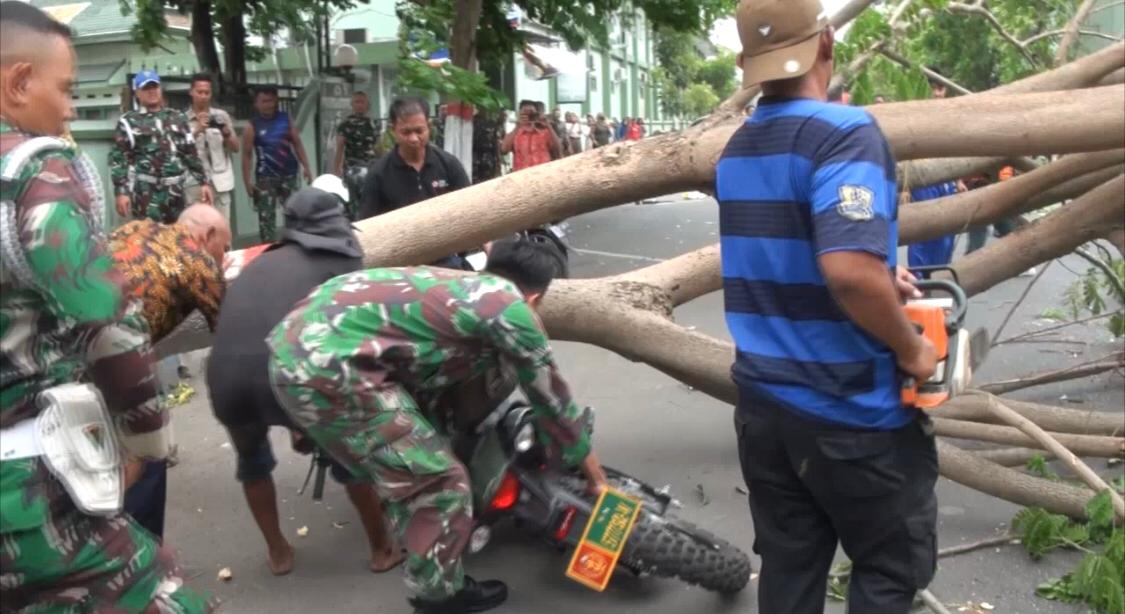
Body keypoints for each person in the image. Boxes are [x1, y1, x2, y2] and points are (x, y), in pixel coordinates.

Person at [717, 1, 940, 613]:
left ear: (747, 64)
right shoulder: (845, 132)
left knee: (790, 567)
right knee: (889, 569)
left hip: (763, 408)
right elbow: (846, 274)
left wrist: (873, 259)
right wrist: (911, 348)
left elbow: (787, 243)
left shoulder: (737, 149)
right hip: (850, 411)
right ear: (825, 44)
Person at [0, 3, 213, 611]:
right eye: (64, 90)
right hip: (26, 492)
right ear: (18, 83)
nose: (68, 110)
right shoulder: (33, 169)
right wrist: (146, 441)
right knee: (162, 589)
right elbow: (106, 320)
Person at [267, 238, 609, 613]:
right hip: (329, 370)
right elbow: (551, 399)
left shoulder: (458, 285)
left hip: (293, 347)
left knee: (406, 469)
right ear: (535, 299)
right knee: (442, 483)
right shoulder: (510, 309)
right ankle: (437, 597)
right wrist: (593, 473)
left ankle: (424, 551)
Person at [207, 177, 402, 577]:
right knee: (349, 453)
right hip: (287, 370)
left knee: (253, 461)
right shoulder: (343, 261)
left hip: (224, 376)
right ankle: (382, 548)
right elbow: (348, 340)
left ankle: (278, 552)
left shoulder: (262, 260)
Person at [109, 203, 231, 540]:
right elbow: (230, 329)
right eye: (225, 246)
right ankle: (141, 553)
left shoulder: (137, 229)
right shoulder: (199, 260)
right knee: (148, 452)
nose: (225, 254)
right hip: (111, 362)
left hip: (62, 346)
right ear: (207, 236)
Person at [110, 69, 213, 223]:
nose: (152, 91)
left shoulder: (177, 118)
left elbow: (190, 153)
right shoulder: (128, 122)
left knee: (177, 239)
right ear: (137, 92)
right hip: (147, 192)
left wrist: (204, 182)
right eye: (146, 88)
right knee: (150, 240)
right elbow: (120, 159)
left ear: (160, 89)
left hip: (176, 192)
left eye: (155, 87)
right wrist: (121, 192)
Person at [906, 80, 966, 271]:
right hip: (923, 177)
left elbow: (953, 150)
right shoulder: (916, 115)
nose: (936, 93)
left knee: (946, 228)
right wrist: (906, 186)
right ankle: (919, 279)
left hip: (945, 176)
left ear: (945, 90)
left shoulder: (949, 117)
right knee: (923, 228)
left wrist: (958, 180)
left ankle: (938, 274)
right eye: (933, 89)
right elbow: (907, 149)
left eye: (939, 88)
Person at [242, 85, 313, 243]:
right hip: (265, 180)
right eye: (264, 101)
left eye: (271, 101)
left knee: (294, 214)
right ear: (256, 103)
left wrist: (307, 168)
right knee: (266, 222)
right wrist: (247, 182)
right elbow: (246, 156)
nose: (268, 104)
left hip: (289, 175)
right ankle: (268, 252)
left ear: (276, 101)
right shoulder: (252, 126)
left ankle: (295, 246)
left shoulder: (285, 119)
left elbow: (297, 143)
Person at [186, 73, 239, 220]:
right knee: (198, 234)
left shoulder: (222, 116)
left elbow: (235, 148)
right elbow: (179, 150)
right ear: (191, 92)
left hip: (220, 182)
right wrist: (197, 130)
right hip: (194, 184)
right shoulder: (181, 120)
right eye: (199, 92)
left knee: (222, 233)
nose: (203, 96)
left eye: (207, 93)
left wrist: (226, 133)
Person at [334, 90, 381, 220]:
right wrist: (336, 171)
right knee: (355, 203)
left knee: (371, 201)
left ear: (367, 104)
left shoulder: (373, 124)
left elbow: (378, 147)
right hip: (352, 169)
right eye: (357, 102)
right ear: (352, 104)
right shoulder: (345, 125)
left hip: (371, 168)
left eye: (362, 102)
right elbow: (339, 149)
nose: (360, 105)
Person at [501, 99, 561, 172]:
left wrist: (548, 126)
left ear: (536, 114)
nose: (528, 115)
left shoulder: (545, 133)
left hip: (543, 174)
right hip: (521, 176)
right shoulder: (515, 133)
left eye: (531, 113)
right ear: (519, 114)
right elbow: (504, 150)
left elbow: (558, 149)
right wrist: (518, 126)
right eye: (525, 112)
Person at [472, 109, 504, 183]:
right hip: (475, 157)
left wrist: (498, 164)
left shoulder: (492, 124)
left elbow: (496, 144)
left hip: (488, 157)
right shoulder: (469, 123)